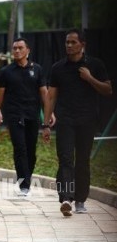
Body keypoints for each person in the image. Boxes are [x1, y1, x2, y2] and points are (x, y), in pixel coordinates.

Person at [43, 28, 112, 216]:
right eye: (67, 42)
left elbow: (108, 90)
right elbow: (52, 96)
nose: (69, 45)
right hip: (65, 120)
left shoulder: (95, 65)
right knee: (65, 159)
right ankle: (66, 197)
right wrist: (46, 123)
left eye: (73, 42)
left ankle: (80, 199)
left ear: (83, 44)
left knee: (82, 161)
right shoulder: (58, 68)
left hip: (87, 120)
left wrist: (89, 78)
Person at [0, 37, 52, 196]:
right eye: (14, 48)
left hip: (33, 115)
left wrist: (49, 116)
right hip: (14, 115)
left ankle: (26, 178)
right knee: (20, 148)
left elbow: (44, 93)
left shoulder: (37, 69)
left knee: (31, 150)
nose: (16, 51)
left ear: (27, 50)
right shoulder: (6, 72)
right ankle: (24, 185)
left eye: (20, 48)